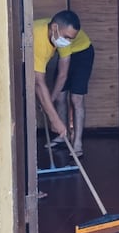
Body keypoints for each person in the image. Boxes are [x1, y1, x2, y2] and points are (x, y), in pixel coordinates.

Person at [33, 10, 93, 157]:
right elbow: (39, 82)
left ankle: (77, 143)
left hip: (84, 53)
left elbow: (62, 75)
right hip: (63, 50)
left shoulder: (65, 41)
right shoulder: (37, 39)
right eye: (67, 37)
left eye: (71, 38)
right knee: (60, 96)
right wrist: (54, 114)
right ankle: (62, 136)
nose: (68, 40)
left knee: (76, 98)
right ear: (54, 28)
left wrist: (49, 104)